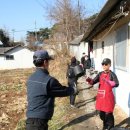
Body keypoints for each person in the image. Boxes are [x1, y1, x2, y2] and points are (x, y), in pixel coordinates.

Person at [26, 50, 77, 130]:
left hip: (30, 120)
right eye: (48, 61)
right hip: (39, 123)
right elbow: (63, 91)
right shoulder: (49, 80)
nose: (49, 64)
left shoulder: (31, 78)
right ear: (45, 62)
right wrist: (73, 89)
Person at [86, 58, 119, 130]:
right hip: (101, 97)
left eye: (106, 64)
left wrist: (110, 82)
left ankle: (110, 127)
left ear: (109, 65)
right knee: (102, 115)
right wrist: (88, 80)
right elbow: (93, 82)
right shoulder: (100, 74)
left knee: (108, 114)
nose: (104, 66)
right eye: (103, 64)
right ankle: (105, 126)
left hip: (108, 98)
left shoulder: (112, 74)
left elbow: (117, 83)